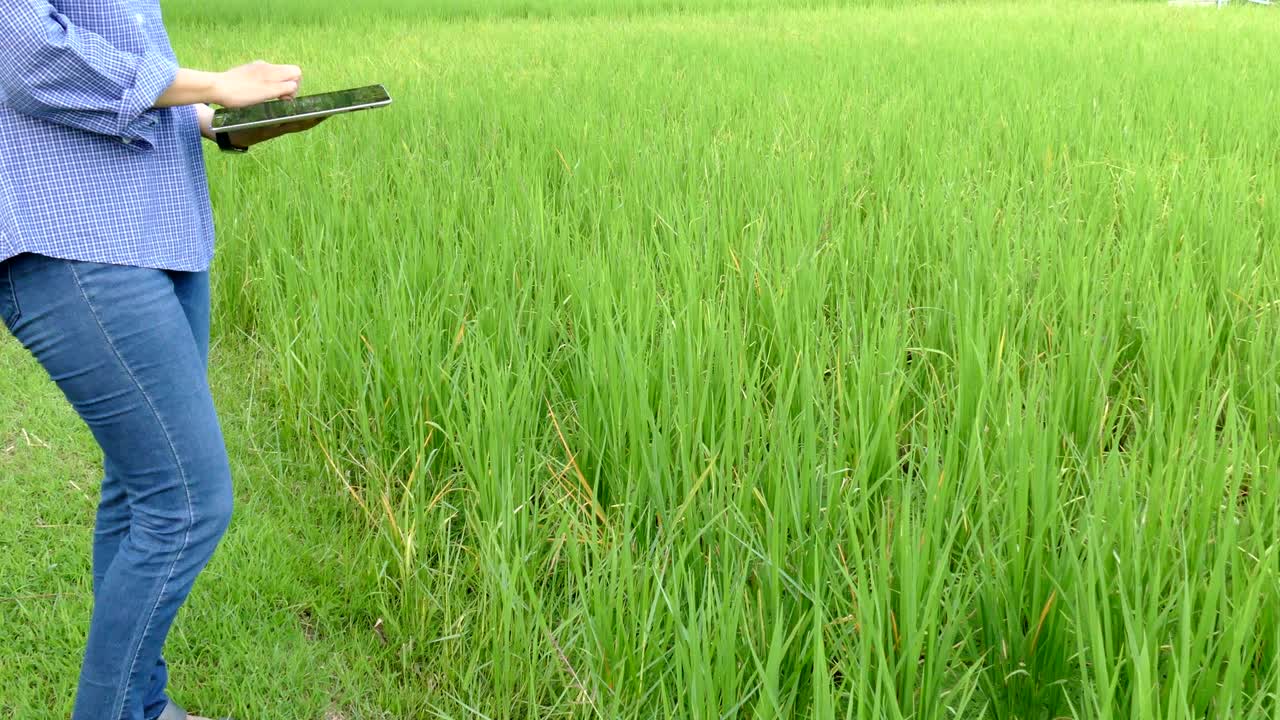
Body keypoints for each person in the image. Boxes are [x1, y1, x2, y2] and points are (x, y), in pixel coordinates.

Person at [0, 2, 320, 719]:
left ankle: (141, 706)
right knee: (186, 501)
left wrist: (217, 120)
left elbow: (120, 67)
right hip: (72, 239)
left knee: (141, 489)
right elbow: (26, 58)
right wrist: (213, 83)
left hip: (161, 228)